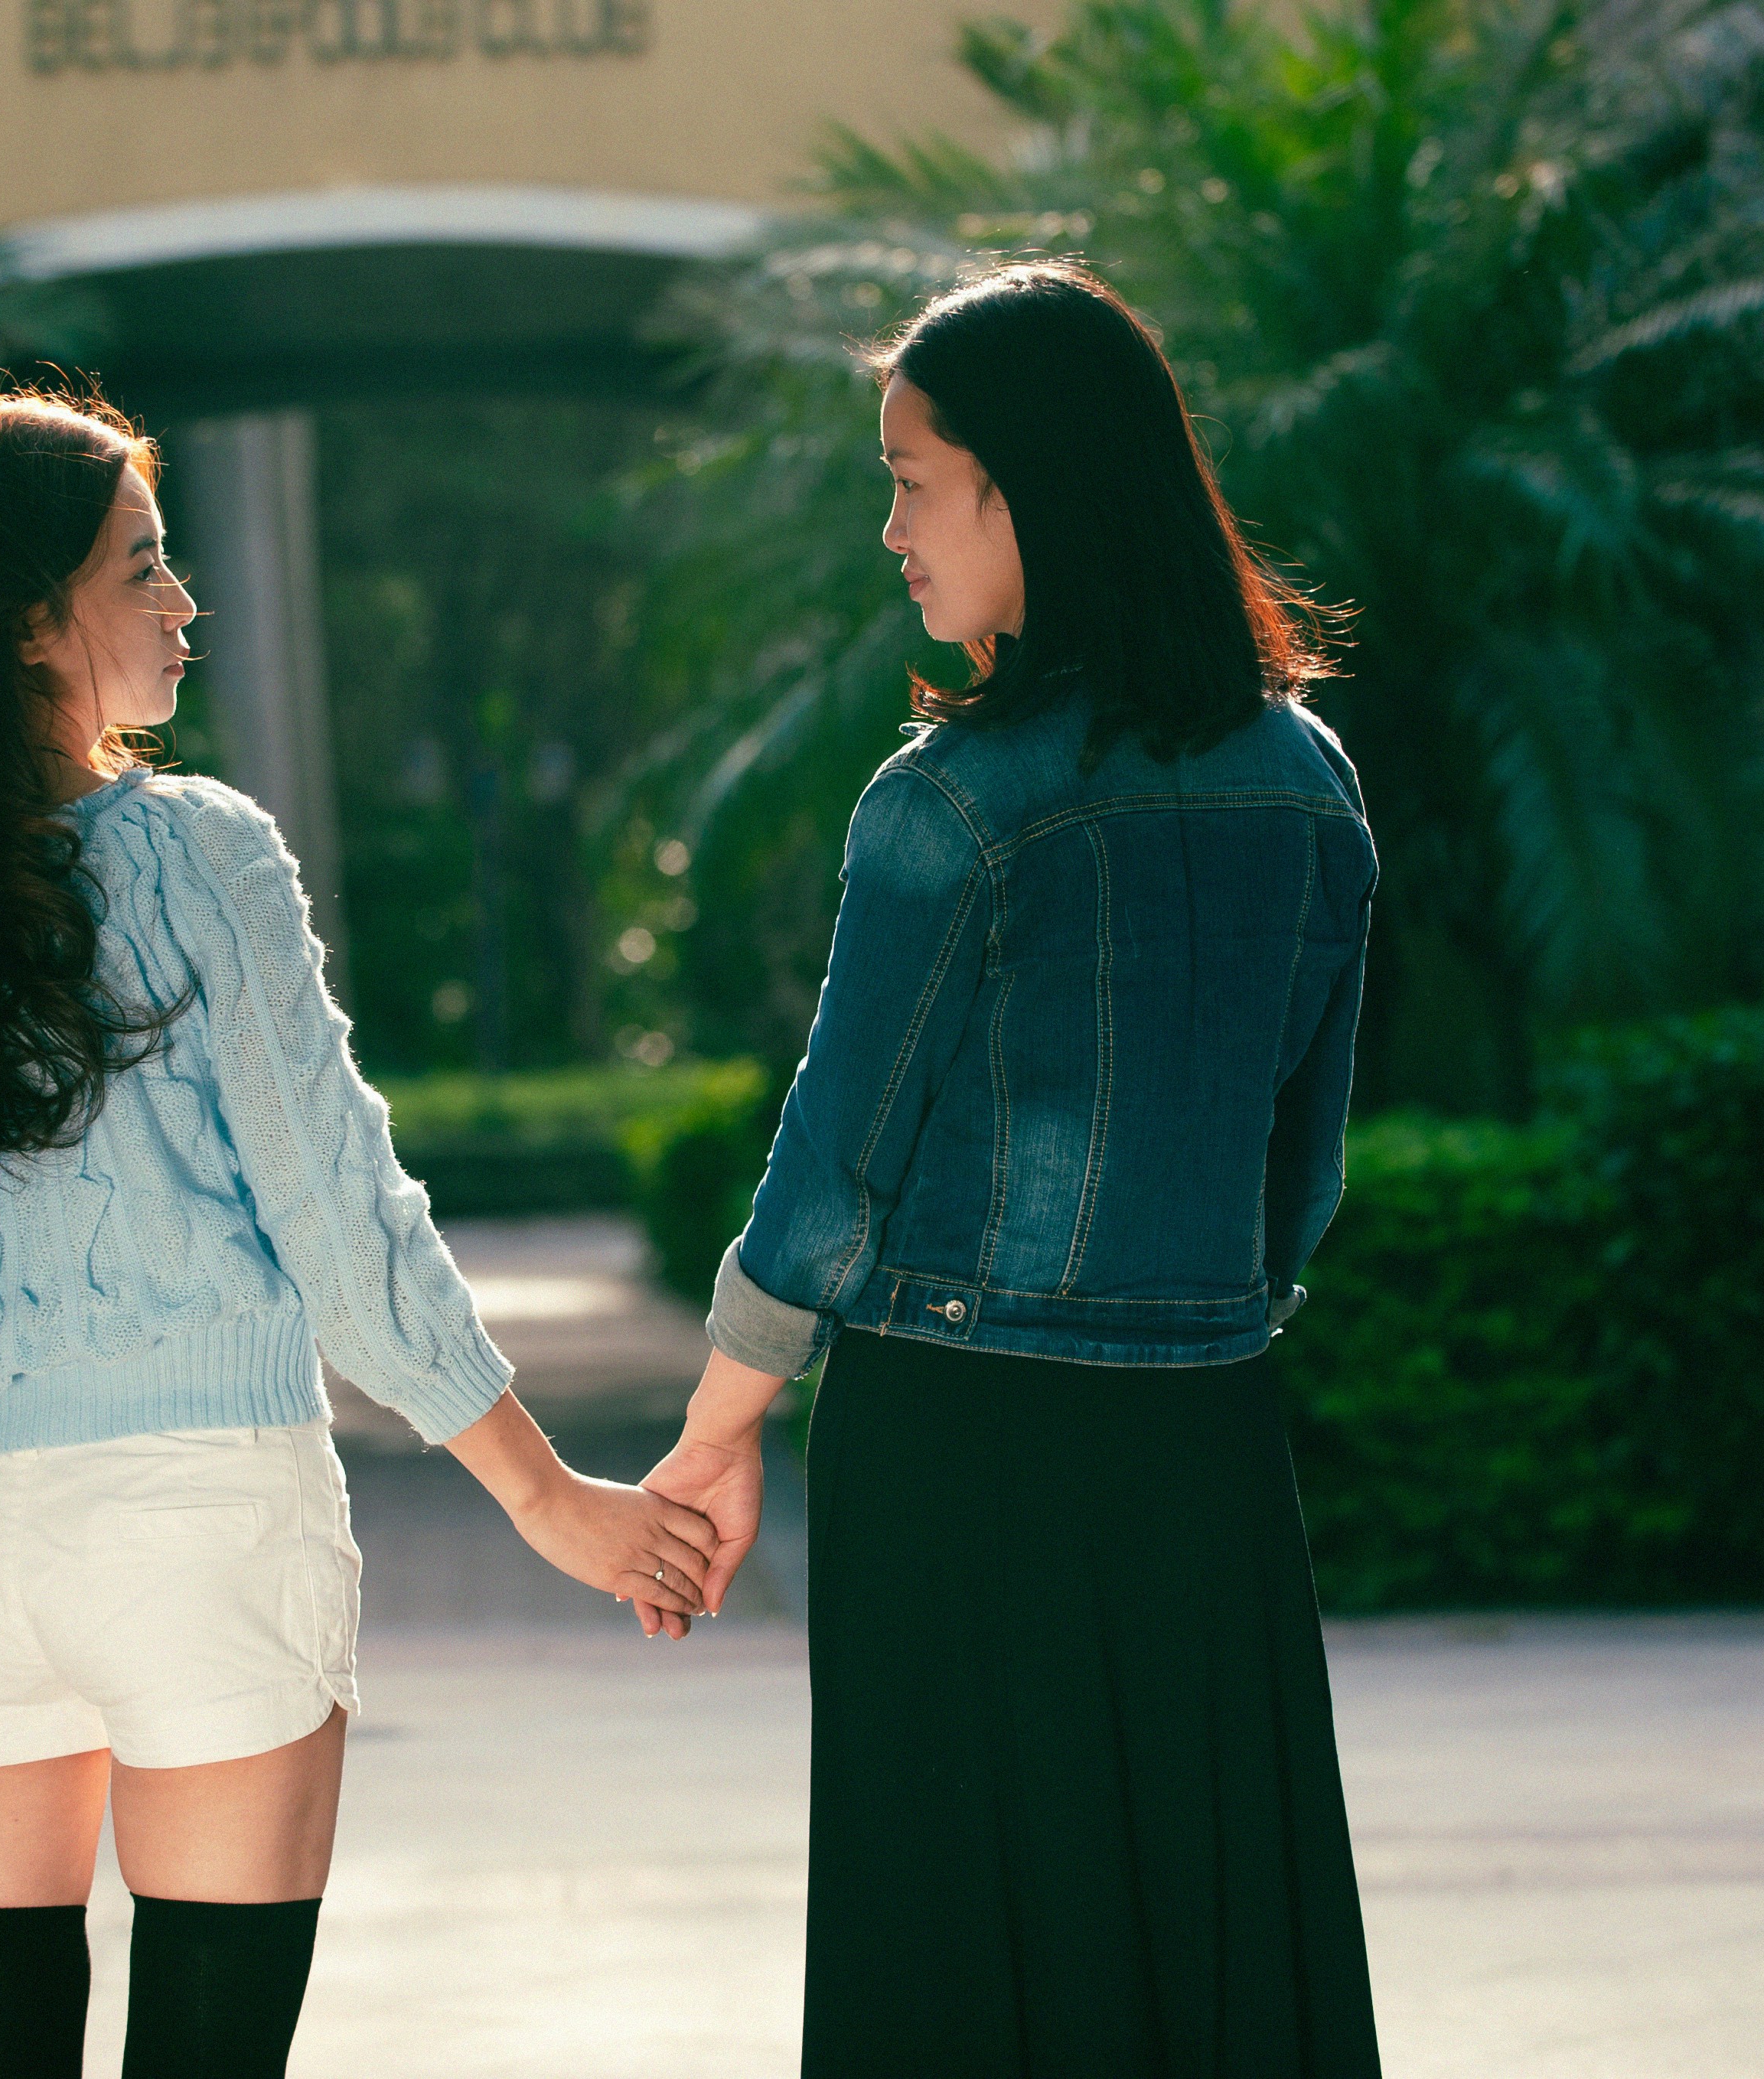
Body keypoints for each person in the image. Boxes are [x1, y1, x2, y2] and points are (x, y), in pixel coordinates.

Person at [0, 386, 719, 2079]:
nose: (185, 603)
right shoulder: (196, 852)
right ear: (30, 627)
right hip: (212, 1525)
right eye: (143, 569)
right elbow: (343, 1223)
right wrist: (554, 1506)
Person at [642, 263, 1387, 2075]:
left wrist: (716, 1434)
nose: (887, 524)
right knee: (1205, 1926)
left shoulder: (950, 805)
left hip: (960, 1449)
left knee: (963, 1955)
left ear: (1024, 487)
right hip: (1204, 1444)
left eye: (911, 477)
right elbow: (1304, 1177)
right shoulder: (1308, 781)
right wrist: (1196, 1315)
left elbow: (831, 1174)